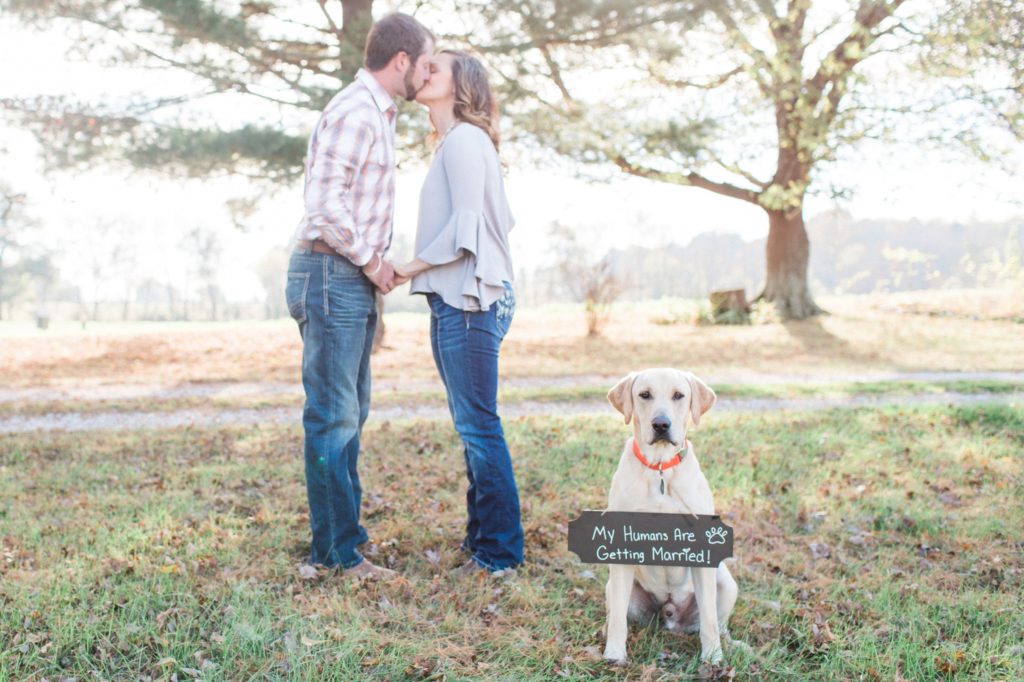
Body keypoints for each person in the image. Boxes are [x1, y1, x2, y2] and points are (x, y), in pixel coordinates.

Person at [285, 13, 434, 579]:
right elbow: (325, 204)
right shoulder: (355, 111)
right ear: (401, 61)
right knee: (333, 418)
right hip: (332, 273)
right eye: (424, 63)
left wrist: (375, 267)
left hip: (346, 276)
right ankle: (336, 555)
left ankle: (344, 542)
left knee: (350, 414)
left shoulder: (377, 113)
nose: (427, 73)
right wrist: (373, 262)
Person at [395, 50, 524, 573]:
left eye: (437, 68)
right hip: (458, 298)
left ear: (460, 85)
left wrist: (407, 267)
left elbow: (471, 223)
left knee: (479, 427)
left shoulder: (467, 140)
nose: (424, 72)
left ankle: (499, 554)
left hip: (472, 298)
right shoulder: (454, 144)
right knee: (470, 425)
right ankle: (482, 543)